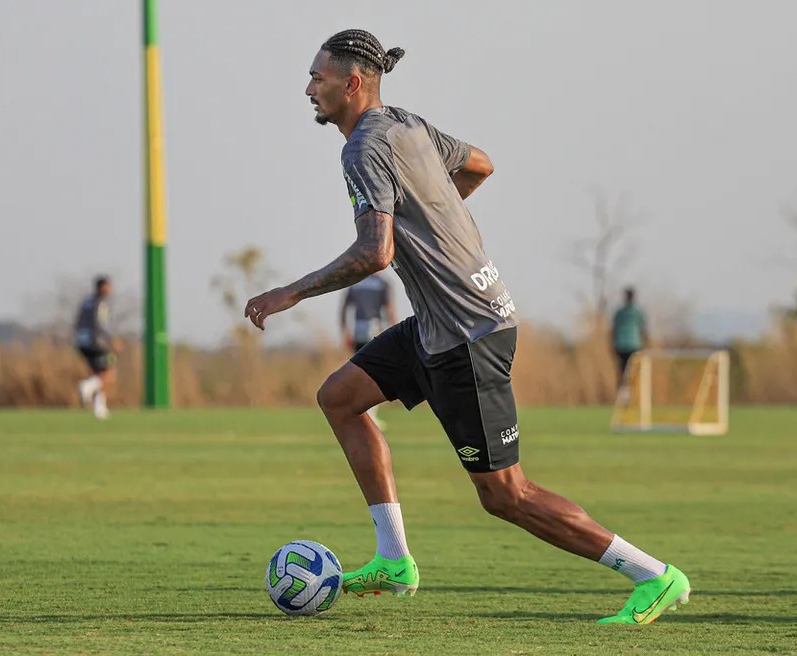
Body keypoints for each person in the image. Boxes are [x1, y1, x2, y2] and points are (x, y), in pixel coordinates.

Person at [244, 28, 690, 625]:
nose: (308, 89)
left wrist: (289, 292)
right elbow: (480, 164)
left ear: (352, 83)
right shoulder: (408, 124)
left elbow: (374, 253)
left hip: (467, 333)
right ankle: (394, 560)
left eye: (318, 78)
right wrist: (438, 213)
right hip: (443, 323)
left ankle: (654, 575)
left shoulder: (363, 149)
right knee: (341, 398)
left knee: (506, 496)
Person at [340, 272, 397, 429]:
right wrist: (397, 334)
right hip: (375, 330)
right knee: (375, 375)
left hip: (358, 330)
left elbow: (345, 309)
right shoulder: (383, 283)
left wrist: (345, 332)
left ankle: (363, 413)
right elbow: (389, 310)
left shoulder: (355, 281)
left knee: (359, 373)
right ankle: (369, 414)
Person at [73, 276, 123, 419]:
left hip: (82, 343)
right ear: (101, 287)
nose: (110, 290)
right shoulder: (101, 303)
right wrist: (112, 339)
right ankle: (86, 387)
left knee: (97, 375)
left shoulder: (86, 302)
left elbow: (78, 322)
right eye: (108, 287)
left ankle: (99, 408)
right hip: (96, 342)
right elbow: (101, 324)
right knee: (109, 373)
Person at [611, 287, 648, 388]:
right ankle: (624, 393)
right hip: (623, 346)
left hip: (634, 345)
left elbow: (642, 329)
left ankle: (633, 392)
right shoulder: (620, 313)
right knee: (623, 372)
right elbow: (613, 330)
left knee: (634, 372)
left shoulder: (637, 312)